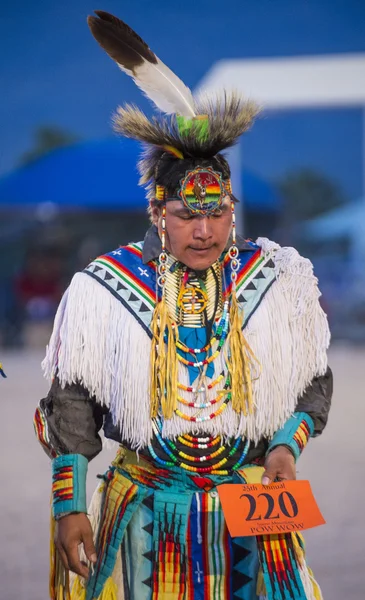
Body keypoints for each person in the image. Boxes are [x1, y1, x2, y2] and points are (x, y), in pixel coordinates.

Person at [34, 11, 333, 600]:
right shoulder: (104, 289)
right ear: (157, 213)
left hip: (250, 505)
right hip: (145, 512)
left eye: (216, 212)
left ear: (232, 208)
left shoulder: (278, 281)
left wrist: (284, 445)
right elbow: (72, 401)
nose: (204, 230)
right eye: (186, 214)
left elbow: (314, 381)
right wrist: (70, 506)